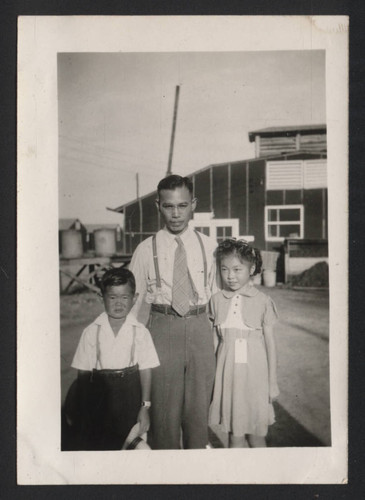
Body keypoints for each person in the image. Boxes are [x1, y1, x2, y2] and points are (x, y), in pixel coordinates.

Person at [129, 174, 217, 449]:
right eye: (169, 206)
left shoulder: (210, 247)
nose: (176, 213)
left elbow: (219, 300)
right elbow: (132, 304)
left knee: (197, 412)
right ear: (158, 206)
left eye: (182, 205)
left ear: (193, 204)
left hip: (200, 327)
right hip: (163, 328)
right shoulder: (145, 250)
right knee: (163, 413)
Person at [70, 267, 159, 450]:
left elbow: (146, 370)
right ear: (101, 298)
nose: (119, 303)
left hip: (131, 403)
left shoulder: (140, 332)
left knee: (137, 451)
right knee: (102, 450)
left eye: (124, 297)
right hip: (99, 404)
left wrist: (145, 406)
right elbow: (83, 373)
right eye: (112, 297)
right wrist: (84, 411)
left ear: (134, 299)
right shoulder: (91, 332)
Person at [209, 239, 279, 448]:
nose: (230, 276)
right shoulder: (216, 300)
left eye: (237, 269)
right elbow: (215, 342)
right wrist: (212, 380)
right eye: (225, 269)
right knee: (234, 434)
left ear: (252, 269)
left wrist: (272, 383)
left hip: (254, 376)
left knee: (256, 434)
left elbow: (270, 345)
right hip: (228, 375)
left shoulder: (262, 301)